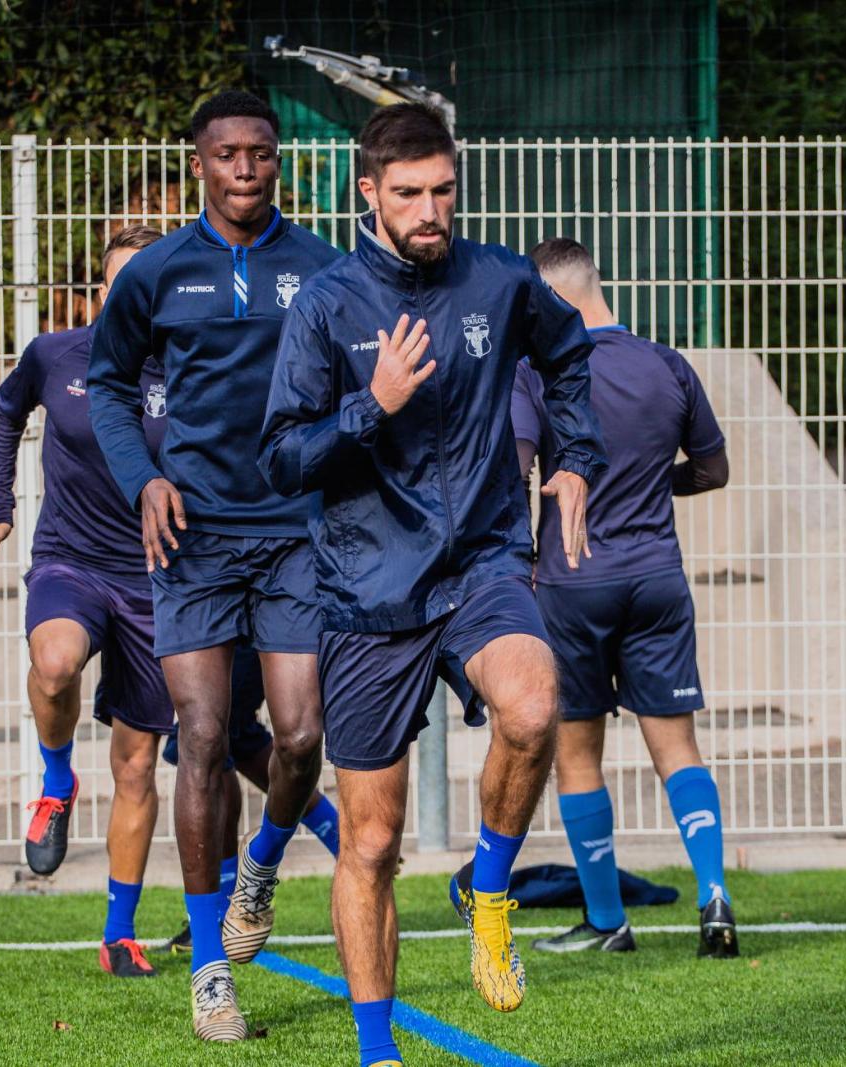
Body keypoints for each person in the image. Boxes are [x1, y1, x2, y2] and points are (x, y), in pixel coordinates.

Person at [260, 103, 606, 1067]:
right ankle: (379, 1052)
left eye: (442, 190)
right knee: (371, 844)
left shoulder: (499, 278)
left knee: (534, 706)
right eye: (408, 193)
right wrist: (373, 408)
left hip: (486, 561)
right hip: (370, 593)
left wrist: (573, 453)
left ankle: (489, 891)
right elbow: (283, 458)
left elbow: (568, 351)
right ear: (368, 192)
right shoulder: (327, 306)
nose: (429, 209)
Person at [87, 90, 342, 1042]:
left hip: (291, 531)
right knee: (197, 735)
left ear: (279, 163)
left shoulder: (321, 268)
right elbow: (107, 383)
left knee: (301, 734)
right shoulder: (156, 271)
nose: (246, 169)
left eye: (261, 154)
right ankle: (208, 971)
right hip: (190, 538)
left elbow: (364, 379)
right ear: (200, 163)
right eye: (228, 154)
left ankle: (264, 869)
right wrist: (142, 477)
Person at [0, 224, 186, 979]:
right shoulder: (57, 356)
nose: (130, 297)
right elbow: (4, 410)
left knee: (136, 765)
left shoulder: (190, 368)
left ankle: (119, 932)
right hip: (72, 561)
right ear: (100, 293)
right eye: (119, 282)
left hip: (158, 580)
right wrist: (0, 507)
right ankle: (56, 777)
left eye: (146, 284)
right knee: (53, 664)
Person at [511, 237, 739, 960]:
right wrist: (651, 489)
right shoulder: (666, 364)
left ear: (549, 299)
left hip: (573, 582)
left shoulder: (539, 371)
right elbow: (712, 468)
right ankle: (714, 895)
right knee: (677, 745)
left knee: (577, 754)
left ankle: (609, 920)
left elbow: (518, 470)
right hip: (658, 578)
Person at [159, 666, 342, 953]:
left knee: (210, 743)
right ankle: (344, 839)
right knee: (237, 741)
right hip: (225, 633)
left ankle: (223, 909)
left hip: (242, 635)